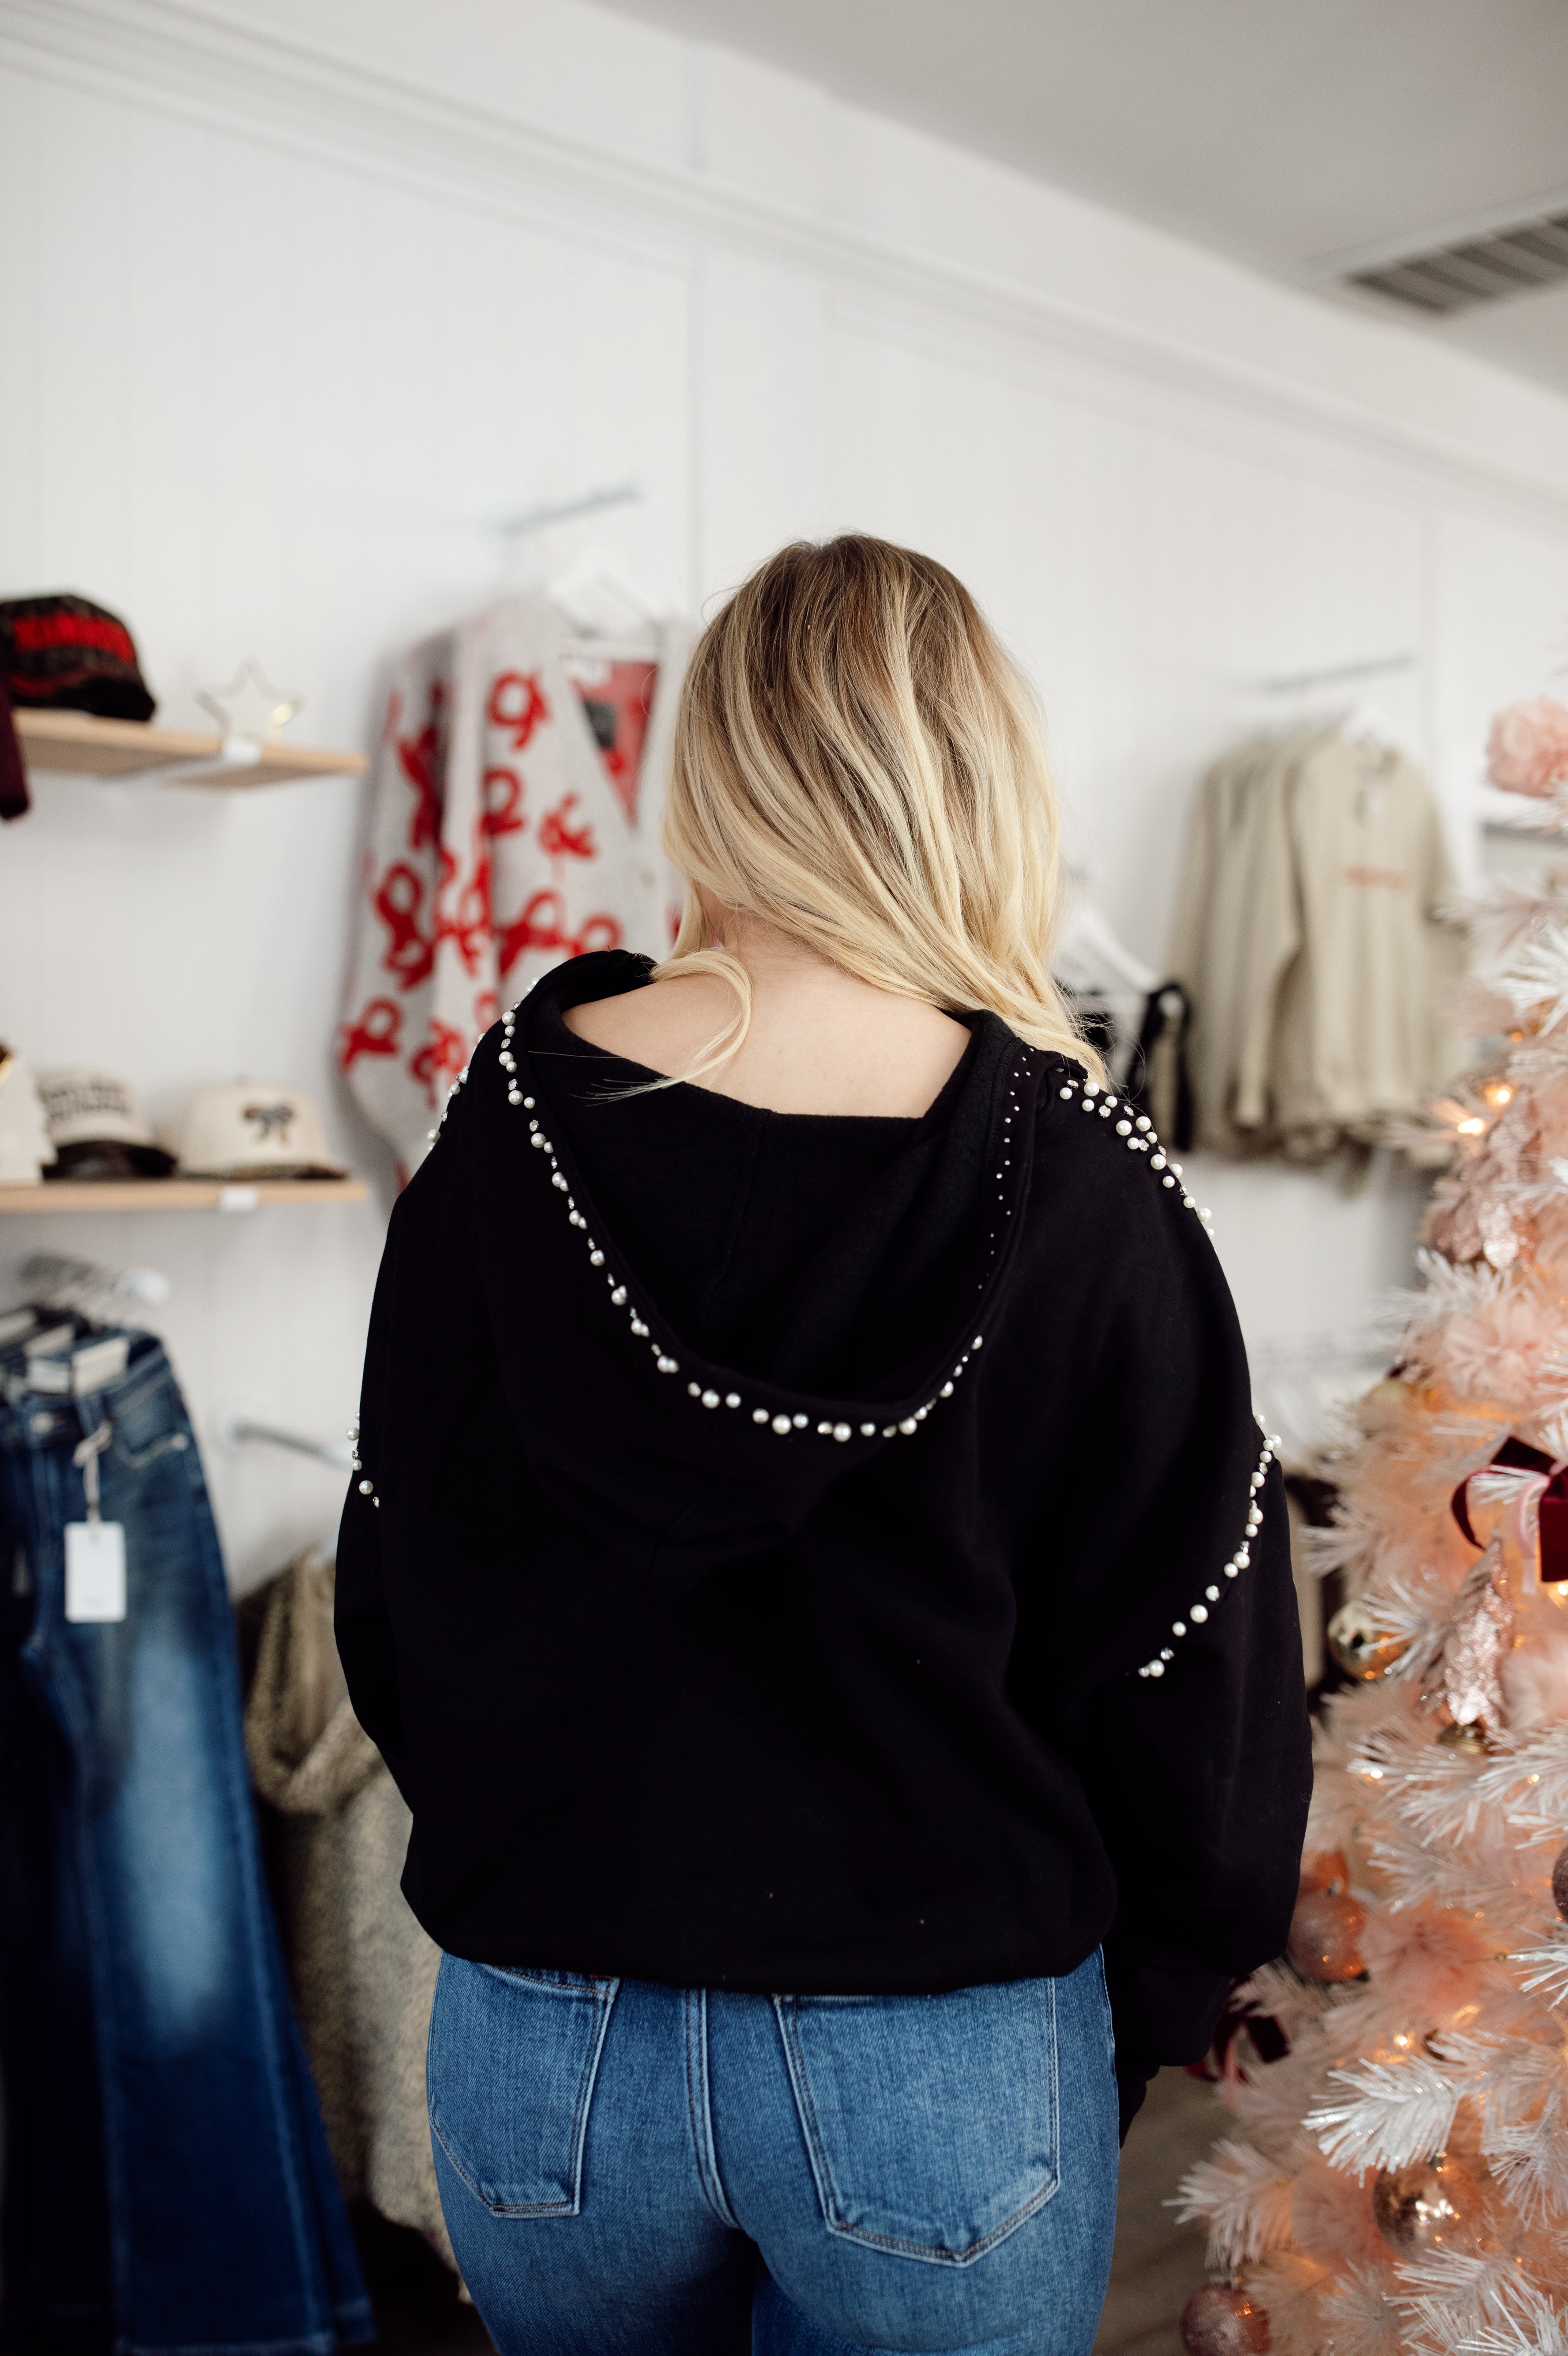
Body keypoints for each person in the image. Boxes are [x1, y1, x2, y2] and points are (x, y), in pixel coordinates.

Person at [335, 535, 1312, 2356]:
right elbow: (1199, 1669)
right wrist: (1163, 1983)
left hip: (546, 2034)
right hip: (938, 2041)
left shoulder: (504, 1128)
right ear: (977, 785)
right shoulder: (1079, 1177)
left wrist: (544, 1845)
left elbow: (394, 1576)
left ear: (707, 764)